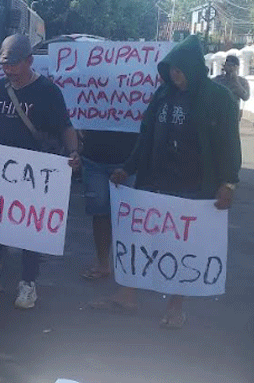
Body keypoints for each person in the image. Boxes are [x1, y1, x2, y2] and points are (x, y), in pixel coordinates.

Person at [93, 35, 241, 329]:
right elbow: (145, 137)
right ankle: (127, 295)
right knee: (142, 240)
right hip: (155, 182)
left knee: (183, 248)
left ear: (194, 69)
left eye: (180, 70)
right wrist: (128, 167)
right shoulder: (162, 95)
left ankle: (176, 306)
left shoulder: (218, 99)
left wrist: (228, 182)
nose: (175, 76)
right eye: (170, 71)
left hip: (195, 186)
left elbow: (228, 144)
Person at [0, 34, 80, 309]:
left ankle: (28, 283)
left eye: (14, 65)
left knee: (29, 227)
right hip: (0, 170)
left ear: (30, 61)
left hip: (34, 171)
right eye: (4, 66)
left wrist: (73, 152)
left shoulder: (48, 92)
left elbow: (66, 127)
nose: (8, 71)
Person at [79, 130, 137, 280]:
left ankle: (127, 269)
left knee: (128, 217)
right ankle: (103, 263)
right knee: (99, 213)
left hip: (129, 160)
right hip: (94, 157)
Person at [212, 54, 250, 119]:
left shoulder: (242, 81)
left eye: (233, 66)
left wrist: (236, 82)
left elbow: (245, 97)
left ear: (237, 67)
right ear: (224, 66)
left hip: (233, 115)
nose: (231, 68)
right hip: (218, 114)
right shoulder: (217, 80)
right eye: (229, 65)